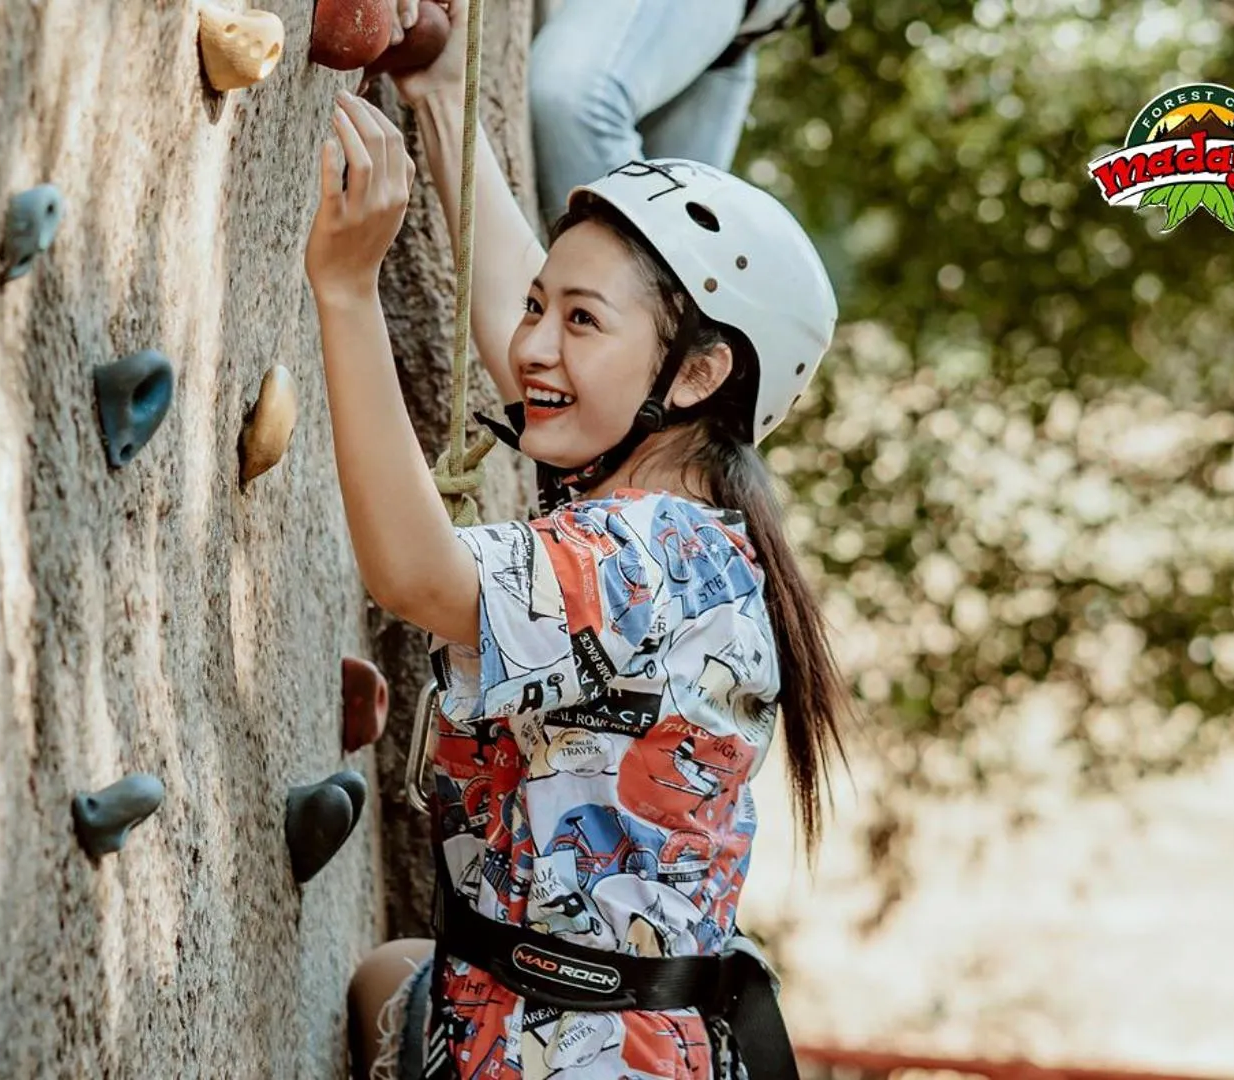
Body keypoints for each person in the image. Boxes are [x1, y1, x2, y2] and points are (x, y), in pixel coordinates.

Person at [304, 0, 853, 1074]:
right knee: (388, 975)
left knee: (394, 979)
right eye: (536, 307)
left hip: (584, 1053)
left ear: (694, 376)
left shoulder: (651, 554)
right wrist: (442, 95)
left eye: (581, 319)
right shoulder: (699, 524)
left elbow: (419, 576)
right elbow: (549, 358)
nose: (535, 345)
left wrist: (343, 289)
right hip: (558, 1015)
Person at [528, 0, 823, 216]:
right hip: (736, 30)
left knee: (577, 99)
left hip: (732, 24)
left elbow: (572, 100)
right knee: (684, 230)